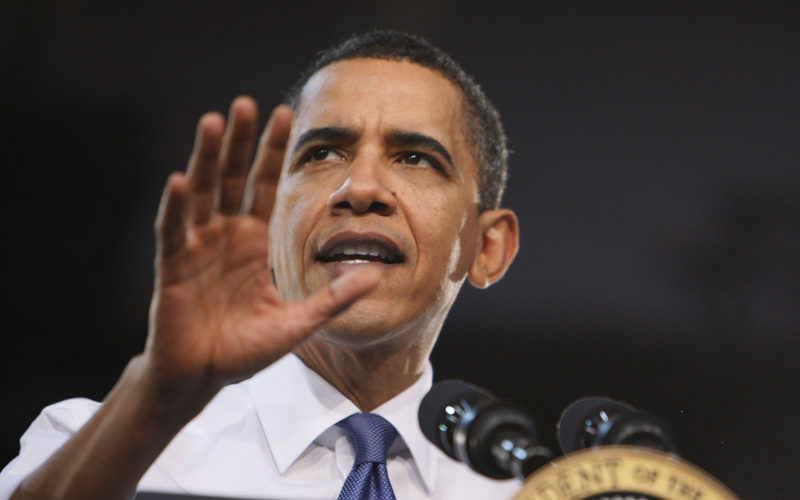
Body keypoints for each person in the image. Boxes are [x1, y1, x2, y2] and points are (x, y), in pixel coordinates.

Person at [1, 31, 521, 499]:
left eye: (414, 157)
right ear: (271, 222)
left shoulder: (526, 493)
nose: (359, 188)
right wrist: (158, 394)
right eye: (322, 153)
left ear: (488, 247)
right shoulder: (102, 448)